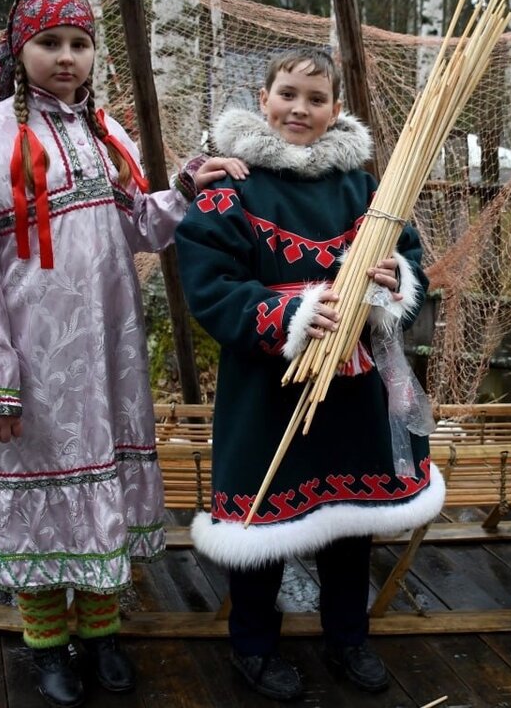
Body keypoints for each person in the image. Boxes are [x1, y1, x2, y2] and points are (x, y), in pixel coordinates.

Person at [0, 0, 246, 708]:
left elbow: (141, 227)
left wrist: (184, 187)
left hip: (109, 358)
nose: (67, 58)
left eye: (79, 45)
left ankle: (103, 636)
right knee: (45, 501)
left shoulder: (107, 132)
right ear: (20, 52)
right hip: (33, 366)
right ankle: (48, 647)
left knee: (103, 493)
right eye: (51, 44)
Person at [174, 49, 445, 701]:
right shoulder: (230, 187)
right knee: (264, 519)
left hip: (353, 385)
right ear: (262, 98)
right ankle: (254, 647)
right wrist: (290, 312)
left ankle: (347, 638)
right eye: (287, 94)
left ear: (336, 110)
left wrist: (392, 283)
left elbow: (407, 259)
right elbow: (210, 285)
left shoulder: (366, 188)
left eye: (316, 98)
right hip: (268, 388)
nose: (300, 109)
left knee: (349, 520)